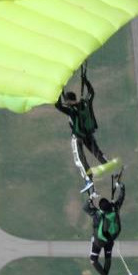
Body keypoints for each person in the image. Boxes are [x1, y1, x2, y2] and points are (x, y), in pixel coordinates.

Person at [55, 64, 108, 192]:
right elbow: (92, 93)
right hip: (88, 135)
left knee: (80, 159)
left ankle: (89, 179)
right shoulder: (85, 103)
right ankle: (108, 164)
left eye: (66, 101)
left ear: (68, 101)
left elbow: (58, 105)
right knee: (96, 152)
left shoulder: (71, 110)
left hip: (78, 138)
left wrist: (59, 90)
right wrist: (86, 81)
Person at [85, 175, 125, 275]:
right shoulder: (115, 208)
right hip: (110, 239)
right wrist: (121, 187)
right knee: (107, 258)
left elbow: (85, 208)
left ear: (101, 208)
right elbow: (121, 198)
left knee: (93, 260)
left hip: (99, 241)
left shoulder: (97, 214)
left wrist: (90, 199)